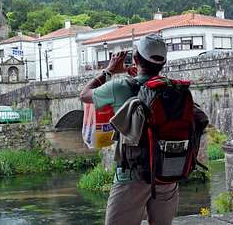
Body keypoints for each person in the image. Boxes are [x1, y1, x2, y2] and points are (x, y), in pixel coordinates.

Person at [79, 33, 208, 225]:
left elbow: (84, 95)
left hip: (132, 176)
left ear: (136, 58)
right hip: (167, 173)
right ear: (163, 63)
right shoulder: (172, 89)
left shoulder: (120, 86)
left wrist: (109, 71)